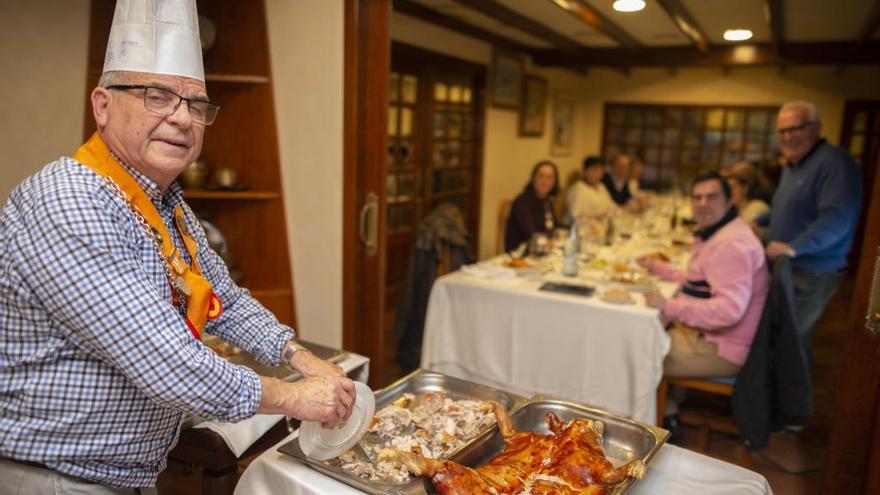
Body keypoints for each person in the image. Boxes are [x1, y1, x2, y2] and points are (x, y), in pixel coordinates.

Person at [0, 2, 355, 492]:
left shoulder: (165, 203)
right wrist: (297, 398)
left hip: (121, 475)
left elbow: (222, 299)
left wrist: (298, 355)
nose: (182, 119)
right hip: (54, 479)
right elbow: (168, 364)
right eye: (157, 96)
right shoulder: (70, 199)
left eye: (196, 105)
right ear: (102, 105)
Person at [637, 172, 770, 421]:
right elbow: (700, 280)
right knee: (648, 331)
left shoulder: (731, 245)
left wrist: (669, 305)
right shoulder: (724, 231)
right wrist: (660, 268)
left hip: (722, 348)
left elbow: (729, 311)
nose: (703, 204)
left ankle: (648, 424)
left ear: (730, 201)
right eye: (697, 198)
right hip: (715, 338)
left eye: (712, 197)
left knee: (635, 352)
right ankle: (670, 405)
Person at [765, 100, 863, 367]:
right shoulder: (794, 164)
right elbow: (786, 208)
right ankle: (791, 399)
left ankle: (787, 405)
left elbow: (837, 219)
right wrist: (757, 222)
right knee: (793, 338)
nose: (788, 136)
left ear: (816, 128)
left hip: (813, 271)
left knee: (787, 340)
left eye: (796, 128)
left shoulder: (835, 162)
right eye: (782, 131)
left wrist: (792, 247)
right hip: (791, 267)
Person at [504, 160, 560, 252]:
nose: (544, 181)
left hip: (542, 252)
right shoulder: (522, 202)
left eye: (549, 177)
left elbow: (555, 226)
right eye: (541, 176)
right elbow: (531, 234)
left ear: (554, 182)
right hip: (520, 255)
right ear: (533, 178)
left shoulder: (546, 201)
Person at [565, 155, 617, 225]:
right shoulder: (578, 188)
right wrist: (597, 217)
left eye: (600, 170)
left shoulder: (601, 186)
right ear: (585, 171)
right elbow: (576, 215)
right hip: (582, 228)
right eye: (593, 169)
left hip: (601, 226)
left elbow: (612, 207)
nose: (596, 173)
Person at [720, 161, 770, 229]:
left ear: (745, 188)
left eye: (733, 187)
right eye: (727, 189)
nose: (729, 192)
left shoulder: (756, 207)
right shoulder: (734, 211)